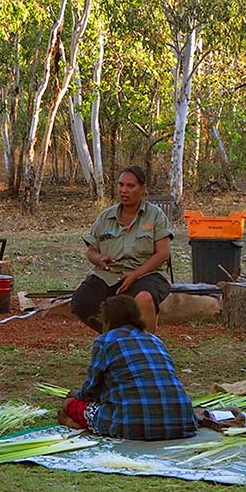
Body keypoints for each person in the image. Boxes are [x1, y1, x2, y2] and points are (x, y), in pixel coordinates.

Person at [58, 295, 196, 440]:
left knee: (70, 404)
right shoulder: (155, 340)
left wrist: (75, 395)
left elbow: (91, 389)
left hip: (132, 425)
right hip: (183, 422)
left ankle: (76, 422)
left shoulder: (105, 341)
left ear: (108, 320)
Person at [70, 166, 174, 334]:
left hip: (147, 274)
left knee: (144, 298)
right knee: (81, 300)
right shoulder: (105, 216)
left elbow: (163, 253)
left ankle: (145, 344)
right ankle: (116, 337)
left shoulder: (155, 215)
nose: (124, 190)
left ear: (143, 188)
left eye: (130, 186)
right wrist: (99, 258)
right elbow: (91, 251)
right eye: (121, 185)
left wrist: (135, 274)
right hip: (110, 274)